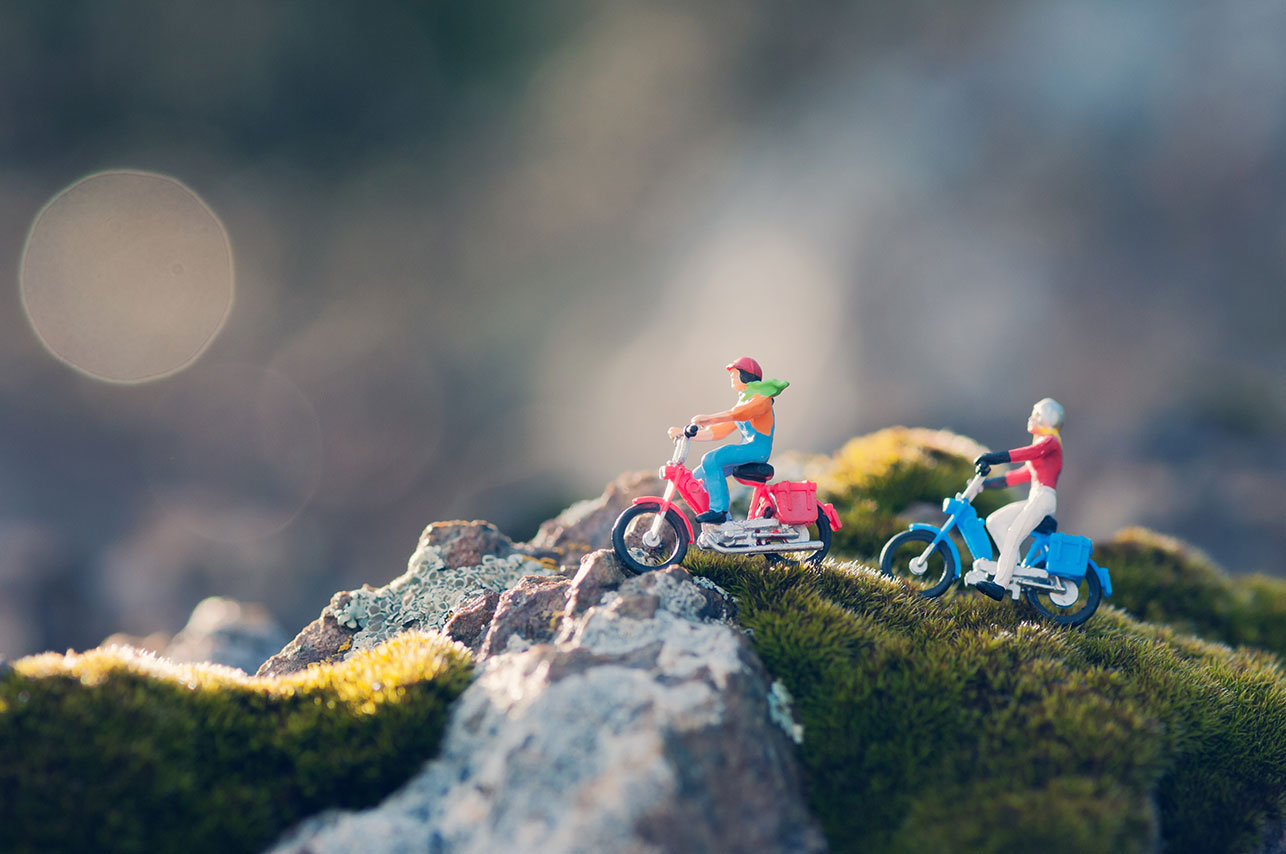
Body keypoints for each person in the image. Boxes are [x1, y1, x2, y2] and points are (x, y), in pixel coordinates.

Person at [966, 398, 1065, 600]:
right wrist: (984, 485)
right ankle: (1013, 569)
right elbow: (1018, 476)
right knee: (995, 522)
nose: (1031, 418)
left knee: (1013, 535)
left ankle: (999, 585)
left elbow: (1028, 453)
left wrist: (992, 457)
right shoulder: (1043, 447)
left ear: (1046, 420)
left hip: (1044, 498)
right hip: (1035, 498)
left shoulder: (1050, 443)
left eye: (1036, 414)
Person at [668, 357, 788, 524]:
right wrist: (685, 433)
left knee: (712, 459)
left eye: (735, 373)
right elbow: (720, 431)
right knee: (698, 478)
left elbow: (742, 413)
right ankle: (726, 526)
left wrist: (709, 418)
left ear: (746, 376)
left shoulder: (761, 398)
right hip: (746, 448)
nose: (731, 376)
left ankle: (719, 511)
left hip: (757, 450)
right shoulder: (745, 398)